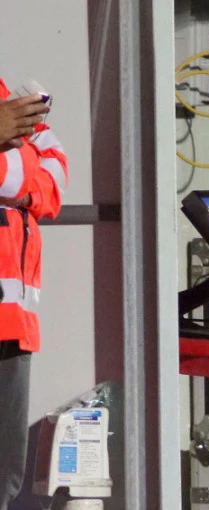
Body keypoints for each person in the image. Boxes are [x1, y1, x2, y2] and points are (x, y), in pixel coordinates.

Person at [0, 77, 68, 510]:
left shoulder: (6, 90)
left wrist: (20, 182)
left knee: (5, 475)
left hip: (11, 321)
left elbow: (54, 171)